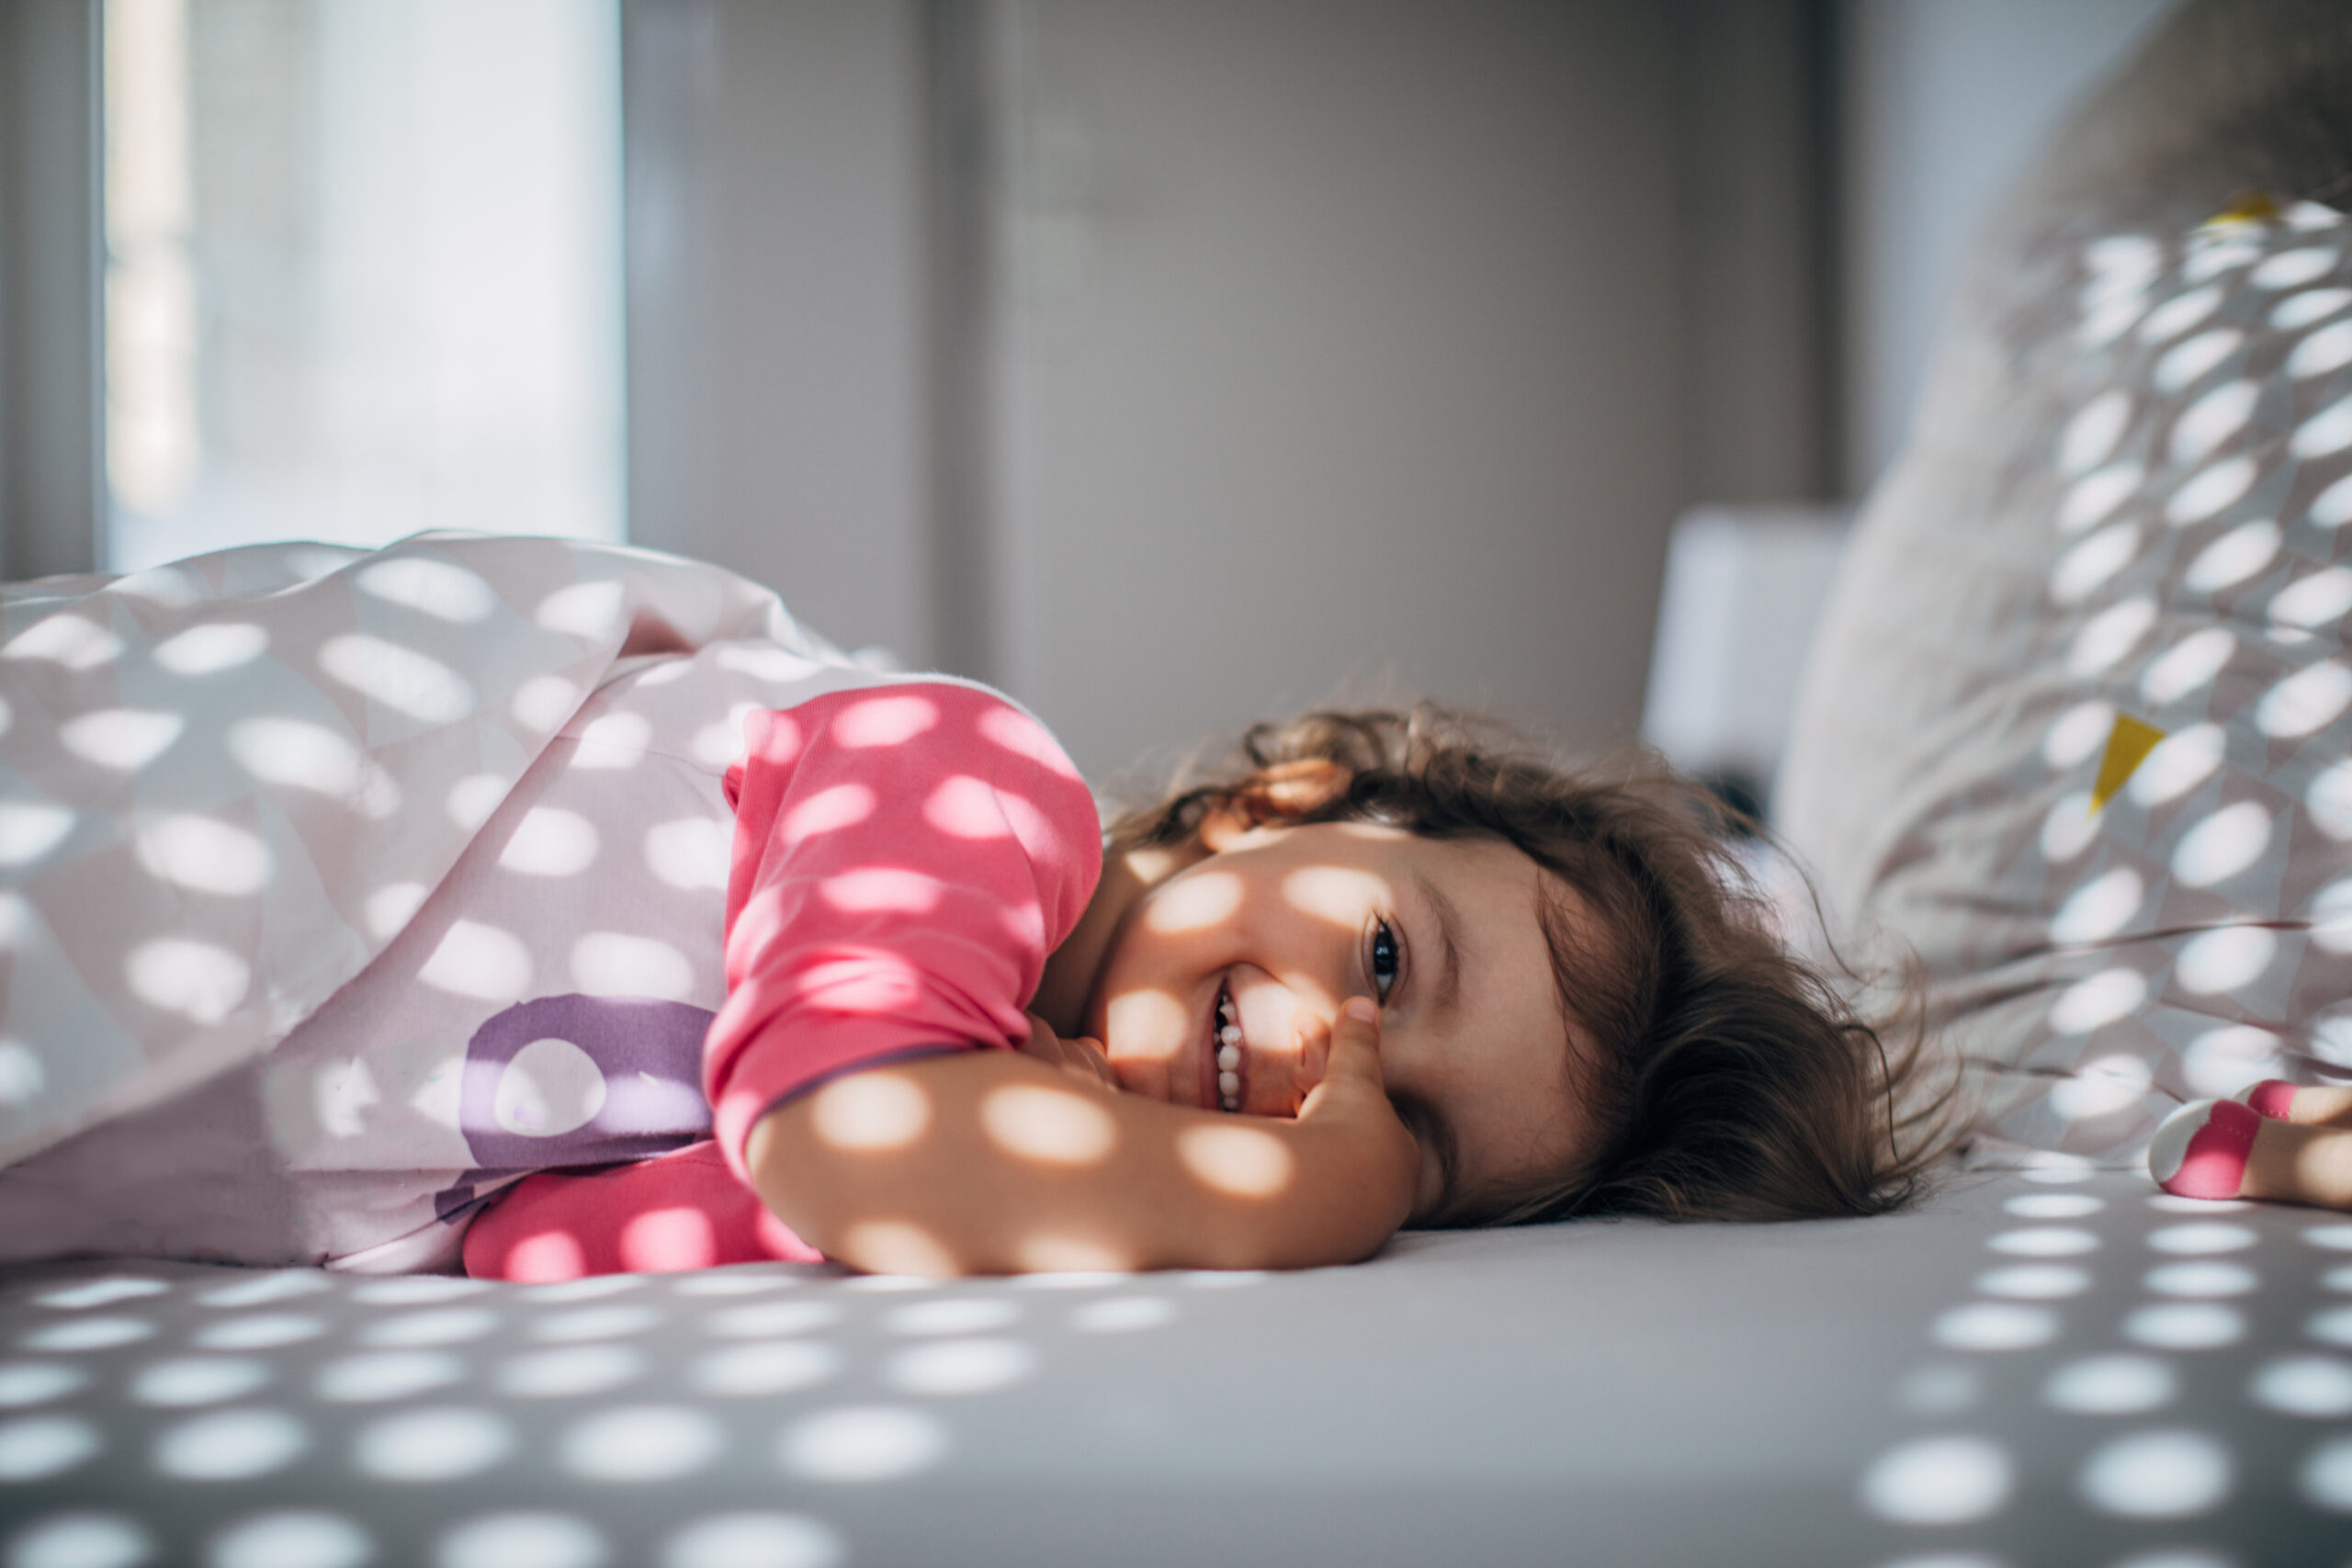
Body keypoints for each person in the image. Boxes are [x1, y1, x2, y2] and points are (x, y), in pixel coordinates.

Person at [461, 687, 1953, 1280]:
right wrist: (1312, 1197)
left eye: (1412, 1140)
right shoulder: (981, 785)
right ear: (1280, 806)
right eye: (1384, 960)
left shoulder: (1006, 1125)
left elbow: (510, 1240)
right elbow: (841, 1137)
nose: (1344, 1069)